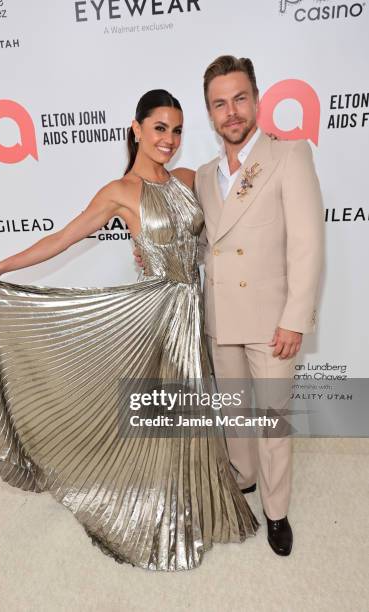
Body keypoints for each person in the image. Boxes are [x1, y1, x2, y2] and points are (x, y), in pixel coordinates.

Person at [0, 89, 258, 572]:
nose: (169, 139)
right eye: (160, 128)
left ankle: (198, 496)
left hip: (195, 311)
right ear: (137, 129)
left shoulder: (187, 179)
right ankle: (163, 509)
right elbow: (62, 239)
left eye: (177, 129)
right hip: (156, 316)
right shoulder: (119, 192)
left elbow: (231, 216)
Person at [192, 56, 324, 556]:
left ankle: (276, 512)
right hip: (221, 317)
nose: (232, 112)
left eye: (240, 98)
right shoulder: (205, 176)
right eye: (220, 104)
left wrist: (295, 319)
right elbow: (212, 245)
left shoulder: (290, 156)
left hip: (272, 323)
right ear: (210, 113)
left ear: (257, 99)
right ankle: (243, 478)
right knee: (233, 413)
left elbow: (308, 246)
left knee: (272, 421)